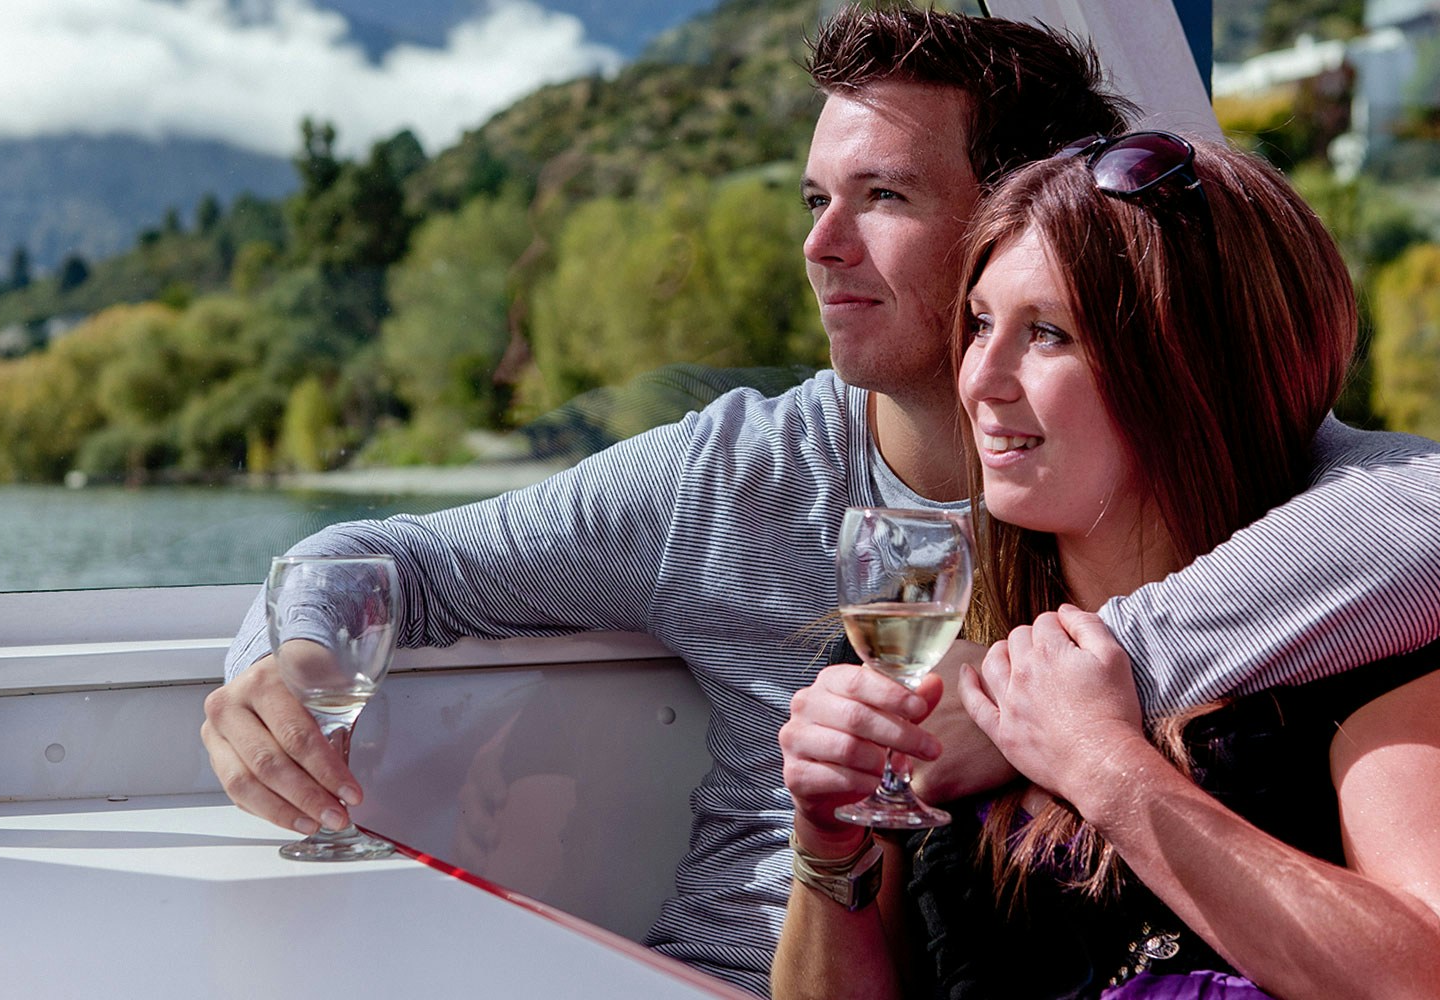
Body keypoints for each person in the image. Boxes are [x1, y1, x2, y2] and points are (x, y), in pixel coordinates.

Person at [203, 6, 1440, 995]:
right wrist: (289, 656)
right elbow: (388, 559)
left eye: (884, 197)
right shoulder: (734, 470)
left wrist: (1060, 689)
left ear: (1029, 210)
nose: (820, 244)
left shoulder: (1280, 517)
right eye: (814, 200)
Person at [774, 132, 1440, 999]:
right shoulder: (921, 643)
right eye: (979, 325)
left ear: (1193, 373)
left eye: (1047, 334)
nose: (982, 379)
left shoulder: (1366, 643)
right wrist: (830, 843)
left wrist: (1101, 765)